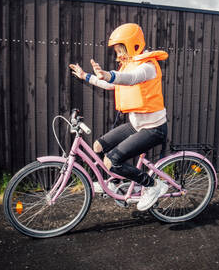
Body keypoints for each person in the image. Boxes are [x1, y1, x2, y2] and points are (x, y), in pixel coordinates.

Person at [68, 23, 169, 211]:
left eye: (120, 50)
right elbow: (111, 84)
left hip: (153, 128)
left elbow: (129, 79)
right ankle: (113, 181)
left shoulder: (148, 67)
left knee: (112, 161)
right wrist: (85, 76)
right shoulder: (129, 66)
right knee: (98, 146)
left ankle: (154, 186)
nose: (118, 56)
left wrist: (108, 74)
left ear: (133, 45)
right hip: (136, 124)